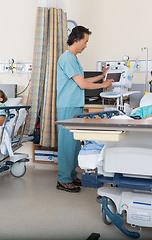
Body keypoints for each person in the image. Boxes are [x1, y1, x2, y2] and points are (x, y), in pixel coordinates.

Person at [56, 26, 114, 193]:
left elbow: (81, 79)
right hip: (68, 105)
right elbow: (82, 84)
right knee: (67, 143)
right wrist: (102, 85)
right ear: (76, 39)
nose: (86, 45)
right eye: (85, 41)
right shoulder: (67, 58)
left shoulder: (73, 59)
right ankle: (63, 180)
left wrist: (101, 76)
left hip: (75, 104)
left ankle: (71, 175)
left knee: (74, 143)